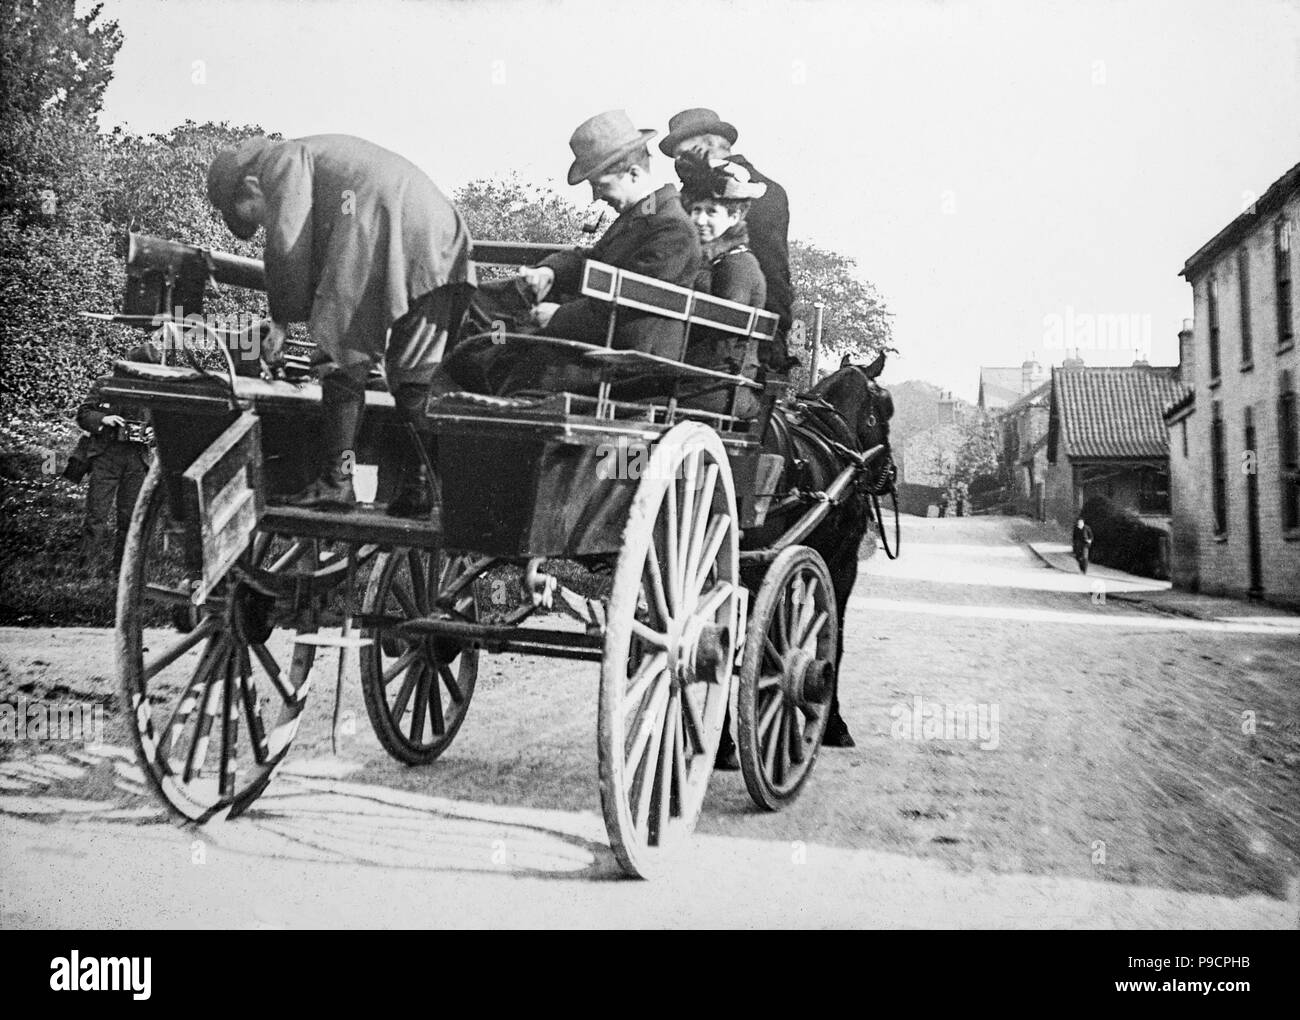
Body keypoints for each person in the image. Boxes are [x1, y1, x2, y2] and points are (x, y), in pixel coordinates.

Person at [206, 133, 476, 516]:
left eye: (256, 216)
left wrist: (281, 321)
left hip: (377, 221)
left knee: (339, 358)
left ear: (251, 186)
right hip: (440, 231)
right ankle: (423, 487)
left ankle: (337, 482)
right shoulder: (318, 159)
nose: (264, 225)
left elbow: (287, 240)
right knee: (414, 379)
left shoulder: (280, 161)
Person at [434, 110, 700, 398]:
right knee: (480, 308)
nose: (596, 197)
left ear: (633, 173)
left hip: (622, 361)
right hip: (597, 342)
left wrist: (558, 316)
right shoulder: (644, 215)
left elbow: (629, 304)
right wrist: (549, 272)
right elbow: (593, 259)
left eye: (600, 185)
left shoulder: (672, 229)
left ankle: (450, 399)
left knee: (505, 362)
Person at [660, 108, 794, 373]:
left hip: (740, 340)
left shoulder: (760, 192)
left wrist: (772, 341)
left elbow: (772, 273)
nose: (679, 167)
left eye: (684, 155)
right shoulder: (693, 190)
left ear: (710, 145)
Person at [676, 152, 768, 415]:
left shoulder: (737, 265)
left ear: (735, 216)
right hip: (697, 380)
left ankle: (630, 458)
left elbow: (721, 342)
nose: (700, 220)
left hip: (717, 388)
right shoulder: (708, 261)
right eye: (696, 210)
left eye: (711, 211)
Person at [75, 343, 161, 574]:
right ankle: (85, 564)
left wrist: (155, 433)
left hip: (137, 459)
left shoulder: (158, 390)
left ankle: (121, 568)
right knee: (96, 513)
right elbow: (83, 414)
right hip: (106, 455)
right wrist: (104, 419)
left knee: (130, 516)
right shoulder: (105, 384)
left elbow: (165, 423)